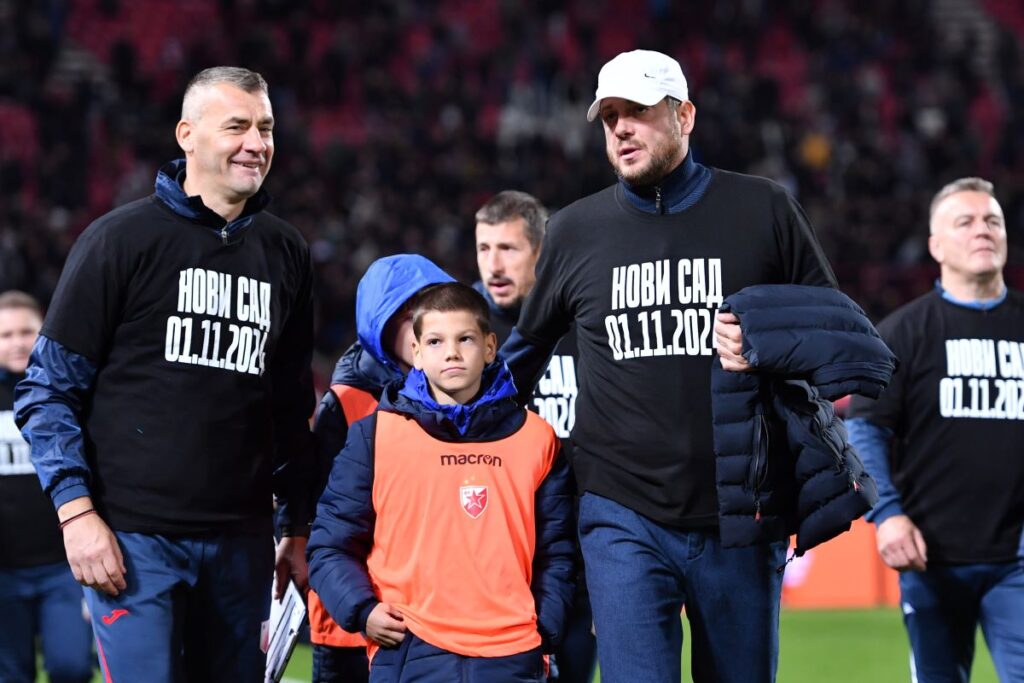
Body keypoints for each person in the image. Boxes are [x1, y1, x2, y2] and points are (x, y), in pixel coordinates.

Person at [501, 49, 837, 682]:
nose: (621, 129)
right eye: (609, 118)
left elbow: (831, 337)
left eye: (638, 113)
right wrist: (442, 426)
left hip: (741, 513)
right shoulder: (575, 230)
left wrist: (766, 347)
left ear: (684, 115)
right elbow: (521, 360)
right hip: (620, 512)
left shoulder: (764, 210)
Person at [14, 66, 316, 682]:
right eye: (236, 126)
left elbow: (288, 407)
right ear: (187, 134)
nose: (256, 143)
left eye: (265, 128)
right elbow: (48, 389)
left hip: (243, 543)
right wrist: (76, 514)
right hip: (133, 542)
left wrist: (297, 526)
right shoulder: (118, 241)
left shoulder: (287, 253)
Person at [308, 282, 575, 682]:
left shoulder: (537, 438)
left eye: (464, 339)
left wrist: (546, 626)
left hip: (513, 652)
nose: (450, 351)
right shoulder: (375, 436)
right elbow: (329, 544)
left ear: (489, 347)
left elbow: (558, 551)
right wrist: (363, 611)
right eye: (434, 341)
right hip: (410, 652)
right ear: (415, 352)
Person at [847, 177, 1024, 683]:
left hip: (1018, 559)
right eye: (964, 222)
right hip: (930, 555)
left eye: (993, 220)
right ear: (935, 245)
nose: (982, 231)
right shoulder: (902, 333)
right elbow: (865, 432)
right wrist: (888, 516)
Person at [309, 253, 454, 683]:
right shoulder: (347, 403)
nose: (422, 331)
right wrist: (359, 605)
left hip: (430, 615)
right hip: (353, 622)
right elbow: (326, 527)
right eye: (409, 318)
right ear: (381, 322)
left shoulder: (456, 394)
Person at [474, 190, 596, 683]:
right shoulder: (464, 332)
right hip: (496, 554)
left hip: (578, 555)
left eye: (508, 249)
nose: (494, 265)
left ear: (541, 253)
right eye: (484, 249)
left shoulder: (585, 327)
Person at [0, 291, 93, 683]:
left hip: (65, 567)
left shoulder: (75, 395)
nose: (18, 341)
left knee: (71, 667)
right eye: (5, 335)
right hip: (3, 570)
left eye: (27, 331)